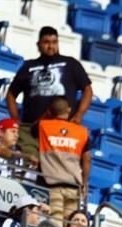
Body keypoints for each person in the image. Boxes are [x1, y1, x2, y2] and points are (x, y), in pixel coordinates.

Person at [6, 26, 92, 163]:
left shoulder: (71, 64)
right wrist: (16, 119)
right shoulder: (28, 66)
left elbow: (88, 90)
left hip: (61, 129)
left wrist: (79, 114)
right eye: (46, 42)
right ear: (38, 44)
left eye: (54, 42)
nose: (51, 46)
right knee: (30, 163)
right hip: (32, 129)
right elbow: (11, 94)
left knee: (56, 166)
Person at [35, 97, 91, 219]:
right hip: (73, 185)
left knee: (54, 226)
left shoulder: (43, 126)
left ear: (50, 111)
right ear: (69, 110)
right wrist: (84, 182)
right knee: (70, 226)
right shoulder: (82, 131)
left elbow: (32, 128)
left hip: (51, 185)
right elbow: (87, 159)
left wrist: (48, 113)